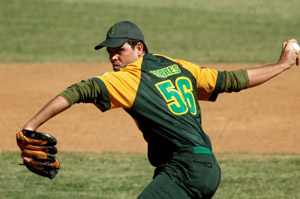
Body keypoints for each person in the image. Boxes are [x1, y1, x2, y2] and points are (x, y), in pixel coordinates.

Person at [20, 21, 299, 199]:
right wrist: (283, 64)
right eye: (110, 53)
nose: (114, 57)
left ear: (139, 48)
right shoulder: (177, 66)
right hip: (206, 168)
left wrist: (30, 126)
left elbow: (76, 91)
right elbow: (233, 80)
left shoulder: (128, 78)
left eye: (119, 50)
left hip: (184, 169)